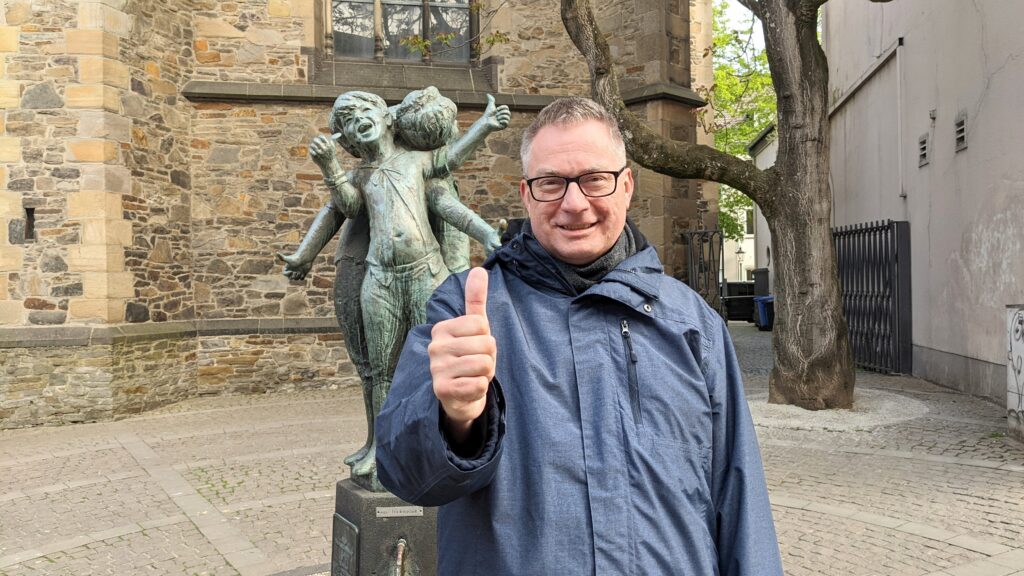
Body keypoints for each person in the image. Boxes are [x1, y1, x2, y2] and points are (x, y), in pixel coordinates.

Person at [375, 97, 783, 574]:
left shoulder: (691, 322)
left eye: (594, 179)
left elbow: (739, 498)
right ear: (526, 194)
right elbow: (407, 476)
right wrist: (456, 419)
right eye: (551, 183)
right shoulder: (465, 312)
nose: (574, 204)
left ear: (626, 186)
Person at [285, 89, 509, 489]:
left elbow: (449, 190)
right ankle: (381, 449)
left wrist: (485, 127)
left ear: (388, 118)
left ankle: (430, 445)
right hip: (380, 280)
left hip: (426, 274)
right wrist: (329, 167)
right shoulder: (359, 175)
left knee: (430, 363)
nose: (358, 123)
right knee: (381, 369)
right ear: (348, 142)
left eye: (364, 113)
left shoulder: (418, 162)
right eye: (348, 123)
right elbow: (348, 208)